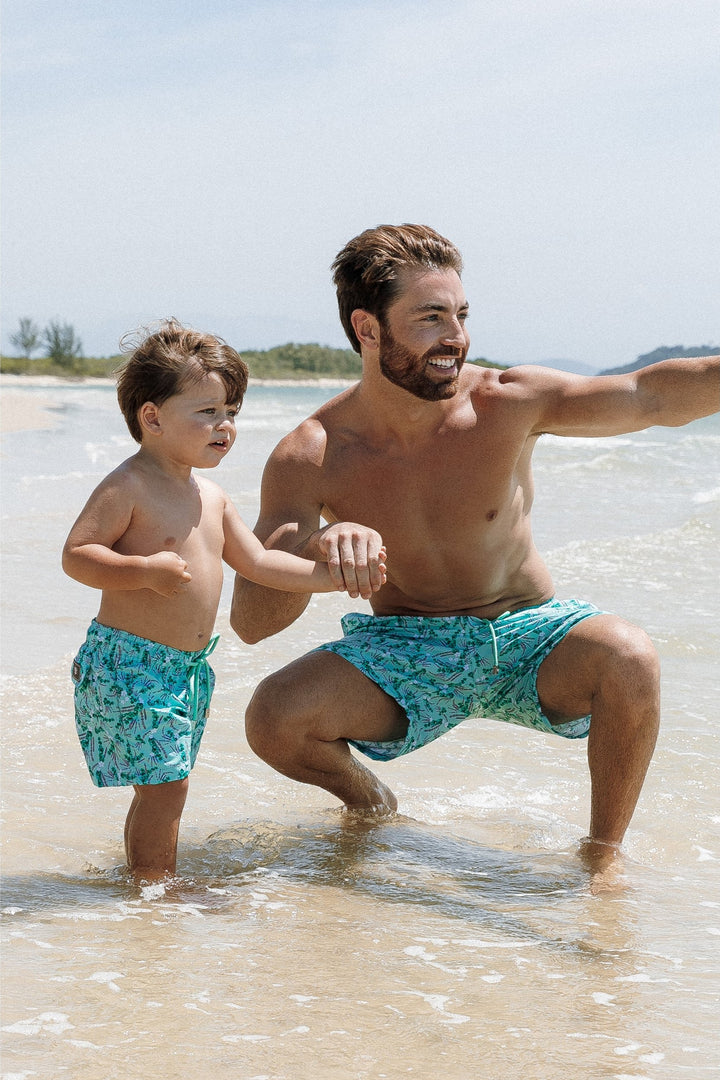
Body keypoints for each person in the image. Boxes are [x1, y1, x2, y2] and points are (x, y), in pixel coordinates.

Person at [230, 224, 719, 882]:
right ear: (368, 329)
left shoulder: (506, 402)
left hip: (528, 633)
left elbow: (652, 396)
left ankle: (602, 859)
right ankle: (371, 804)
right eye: (431, 318)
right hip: (407, 646)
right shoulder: (313, 452)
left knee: (629, 657)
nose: (455, 336)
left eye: (460, 315)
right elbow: (253, 621)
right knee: (274, 717)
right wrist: (320, 548)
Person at [62, 319, 387, 883]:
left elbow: (260, 564)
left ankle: (143, 877)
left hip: (186, 669)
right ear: (152, 417)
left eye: (232, 411)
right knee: (167, 785)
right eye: (208, 411)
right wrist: (140, 570)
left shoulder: (211, 496)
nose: (225, 426)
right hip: (129, 663)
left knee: (164, 781)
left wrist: (330, 577)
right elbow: (77, 554)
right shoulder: (129, 486)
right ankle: (154, 886)